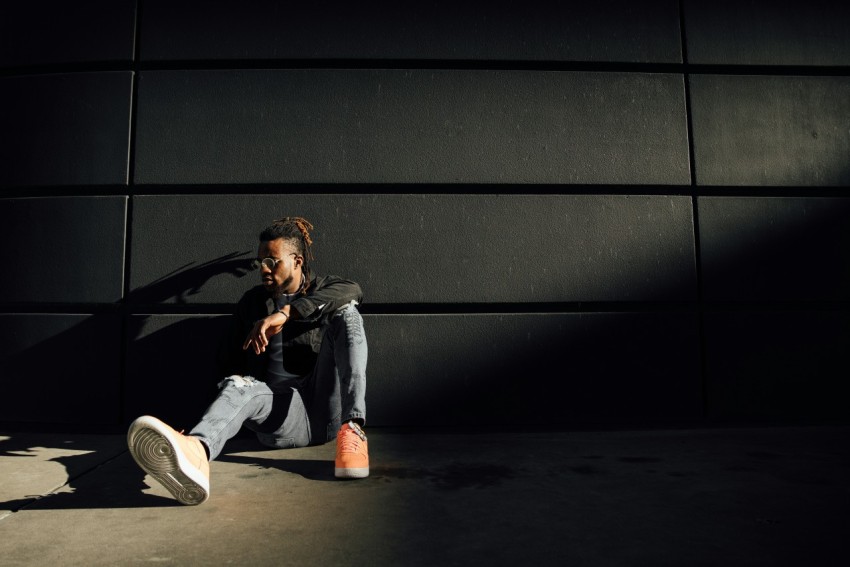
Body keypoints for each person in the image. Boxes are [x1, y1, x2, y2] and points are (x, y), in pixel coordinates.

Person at [126, 217, 369, 505]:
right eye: (260, 262)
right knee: (238, 384)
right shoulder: (252, 302)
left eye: (272, 261)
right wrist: (215, 417)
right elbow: (229, 362)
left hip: (321, 405)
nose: (263, 269)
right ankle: (195, 451)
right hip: (277, 413)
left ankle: (353, 429)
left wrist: (287, 313)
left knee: (348, 314)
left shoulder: (325, 288)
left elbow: (352, 290)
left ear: (297, 261)